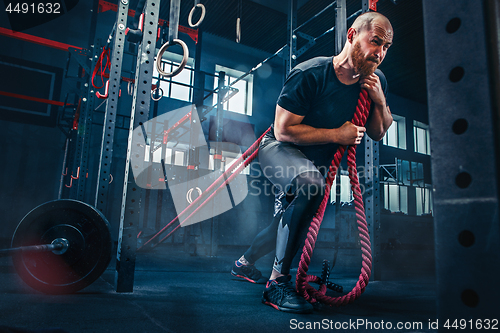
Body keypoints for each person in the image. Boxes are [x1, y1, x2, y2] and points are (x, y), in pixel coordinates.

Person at [231, 11, 394, 313]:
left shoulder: (375, 81)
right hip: (279, 149)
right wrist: (338, 134)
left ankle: (243, 264)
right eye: (376, 42)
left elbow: (378, 130)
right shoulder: (311, 73)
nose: (380, 53)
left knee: (289, 219)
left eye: (386, 47)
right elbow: (283, 130)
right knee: (309, 185)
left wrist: (381, 101)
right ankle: (276, 284)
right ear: (351, 36)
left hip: (314, 161)